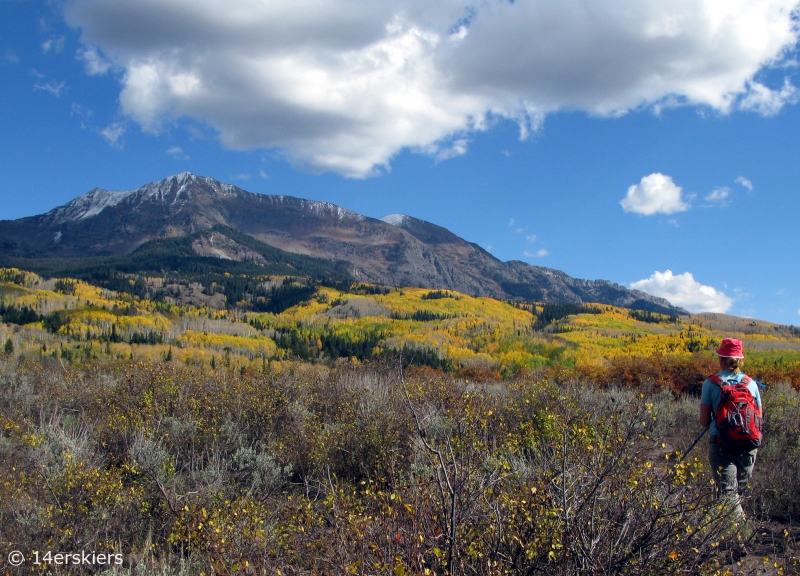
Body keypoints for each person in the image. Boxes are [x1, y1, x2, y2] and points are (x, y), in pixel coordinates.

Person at [700, 337, 762, 525]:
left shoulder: (710, 384)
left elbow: (704, 422)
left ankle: (739, 536)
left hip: (721, 445)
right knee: (738, 494)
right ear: (739, 360)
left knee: (727, 495)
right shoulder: (751, 384)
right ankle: (733, 535)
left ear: (721, 359)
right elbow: (759, 417)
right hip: (749, 445)